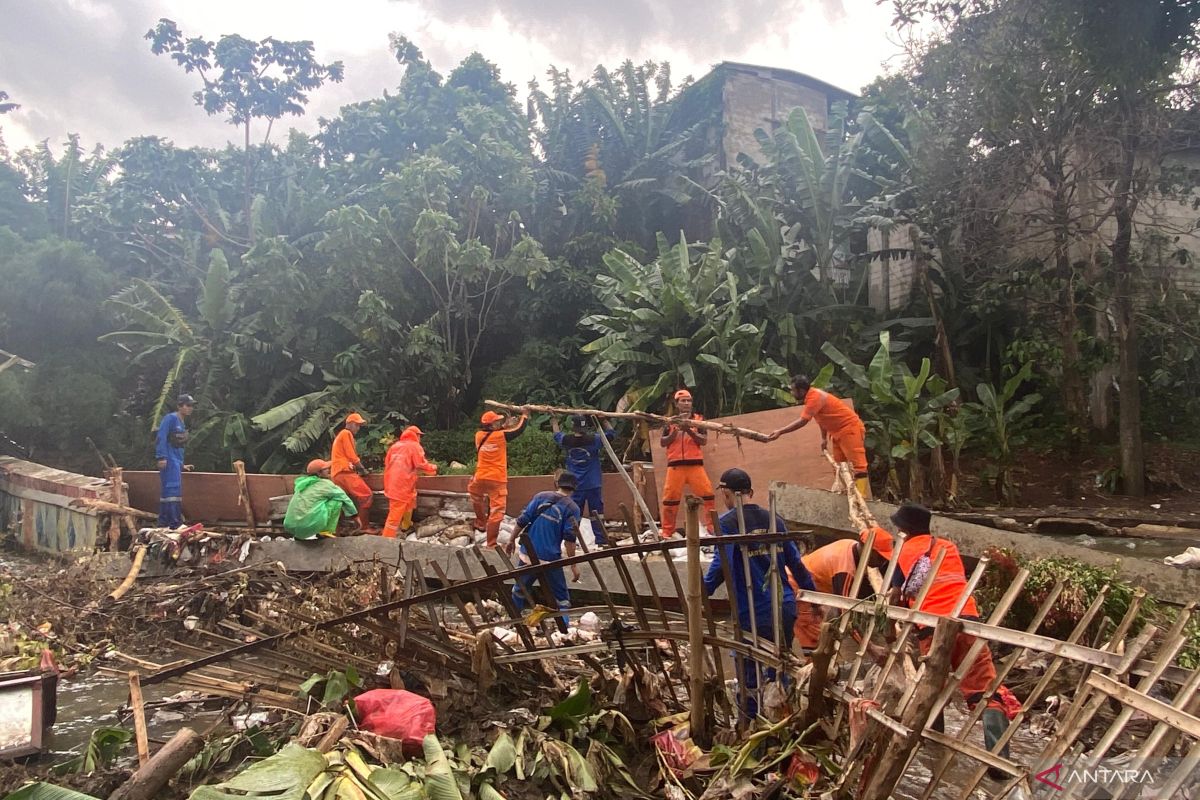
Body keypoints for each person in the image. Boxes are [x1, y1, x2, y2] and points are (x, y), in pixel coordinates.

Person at [866, 502, 1020, 776]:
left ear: (904, 529)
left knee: (931, 687)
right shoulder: (948, 547)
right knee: (984, 691)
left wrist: (889, 630)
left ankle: (931, 745)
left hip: (932, 626)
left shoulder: (903, 551)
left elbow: (893, 594)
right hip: (969, 621)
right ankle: (998, 765)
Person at [704, 468, 815, 720]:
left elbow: (720, 565)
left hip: (751, 610)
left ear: (726, 493)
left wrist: (701, 592)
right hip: (783, 606)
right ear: (751, 493)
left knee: (749, 668)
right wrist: (812, 594)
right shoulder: (773, 519)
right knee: (781, 663)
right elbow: (796, 563)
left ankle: (752, 722)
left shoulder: (728, 523)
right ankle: (783, 717)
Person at [767, 375, 870, 498]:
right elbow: (822, 419)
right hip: (837, 432)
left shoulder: (815, 397)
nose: (792, 392)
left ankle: (861, 497)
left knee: (858, 465)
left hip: (849, 429)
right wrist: (823, 438)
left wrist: (780, 431)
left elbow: (803, 421)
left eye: (793, 390)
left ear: (801, 390)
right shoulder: (811, 398)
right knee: (840, 465)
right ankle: (849, 493)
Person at [509, 472, 582, 628]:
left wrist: (511, 539)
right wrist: (573, 564)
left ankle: (512, 624)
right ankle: (564, 629)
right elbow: (570, 539)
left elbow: (523, 520)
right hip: (550, 559)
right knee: (562, 599)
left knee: (519, 590)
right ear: (574, 489)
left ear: (557, 484)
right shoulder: (572, 508)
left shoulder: (541, 496)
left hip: (528, 554)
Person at [792, 536, 888, 650]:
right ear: (867, 549)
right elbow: (845, 615)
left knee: (821, 634)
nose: (883, 561)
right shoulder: (845, 570)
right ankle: (810, 665)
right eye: (880, 557)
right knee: (815, 638)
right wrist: (870, 648)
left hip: (811, 586)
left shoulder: (851, 544)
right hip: (799, 588)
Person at [659, 389, 716, 537]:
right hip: (675, 466)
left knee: (708, 495)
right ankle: (667, 532)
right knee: (670, 500)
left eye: (688, 400)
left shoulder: (698, 419)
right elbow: (663, 442)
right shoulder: (670, 421)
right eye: (683, 401)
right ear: (677, 404)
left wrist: (689, 430)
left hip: (695, 465)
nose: (686, 403)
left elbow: (703, 440)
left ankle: (711, 528)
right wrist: (675, 431)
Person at [552, 414, 615, 545]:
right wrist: (603, 419)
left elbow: (557, 435)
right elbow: (611, 434)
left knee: (574, 514)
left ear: (573, 427)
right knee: (597, 514)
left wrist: (554, 421)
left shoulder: (567, 441)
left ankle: (570, 540)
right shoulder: (594, 440)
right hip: (593, 483)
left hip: (574, 485)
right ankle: (601, 540)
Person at [469, 409, 528, 548]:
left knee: (476, 498)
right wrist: (525, 415)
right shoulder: (500, 436)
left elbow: (495, 433)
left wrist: (504, 426)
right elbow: (518, 430)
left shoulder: (478, 435)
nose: (499, 423)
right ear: (491, 425)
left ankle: (481, 522)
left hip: (480, 476)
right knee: (497, 512)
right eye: (497, 421)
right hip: (496, 479)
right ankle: (491, 543)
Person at [382, 426, 438, 539]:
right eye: (419, 436)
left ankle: (406, 526)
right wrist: (433, 468)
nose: (420, 438)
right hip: (402, 485)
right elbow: (420, 464)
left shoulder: (394, 446)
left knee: (410, 501)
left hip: (391, 483)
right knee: (394, 516)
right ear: (416, 435)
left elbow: (387, 463)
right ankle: (386, 538)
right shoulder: (414, 446)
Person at [284, 459, 358, 540]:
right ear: (319, 473)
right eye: (326, 469)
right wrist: (355, 516)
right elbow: (344, 498)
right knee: (337, 501)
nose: (328, 470)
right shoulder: (325, 484)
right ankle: (325, 532)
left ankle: (300, 535)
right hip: (308, 526)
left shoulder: (302, 483)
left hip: (290, 526)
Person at [155, 393, 195, 528]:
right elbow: (161, 437)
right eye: (188, 405)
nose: (190, 408)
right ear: (180, 406)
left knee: (173, 491)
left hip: (175, 461)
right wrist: (161, 457)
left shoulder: (182, 423)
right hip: (168, 461)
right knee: (171, 491)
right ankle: (173, 522)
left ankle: (166, 521)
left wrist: (182, 464)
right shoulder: (170, 419)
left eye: (191, 406)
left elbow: (177, 446)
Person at [331, 412, 374, 532]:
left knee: (339, 502)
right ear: (349, 424)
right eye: (357, 425)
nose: (358, 428)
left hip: (337, 474)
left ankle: (336, 528)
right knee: (366, 495)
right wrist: (362, 469)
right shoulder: (346, 433)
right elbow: (352, 456)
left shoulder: (340, 435)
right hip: (344, 472)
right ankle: (364, 527)